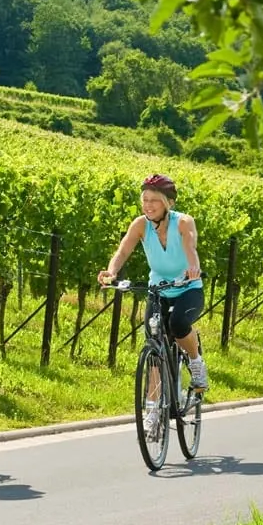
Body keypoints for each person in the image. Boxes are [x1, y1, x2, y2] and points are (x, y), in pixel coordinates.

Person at [98, 174, 208, 432]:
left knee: (179, 323)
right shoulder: (140, 225)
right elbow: (123, 250)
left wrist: (193, 268)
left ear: (167, 203)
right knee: (154, 351)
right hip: (157, 290)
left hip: (187, 288)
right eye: (145, 200)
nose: (148, 206)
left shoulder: (183, 222)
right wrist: (112, 272)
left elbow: (190, 247)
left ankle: (195, 362)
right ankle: (152, 410)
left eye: (154, 201)